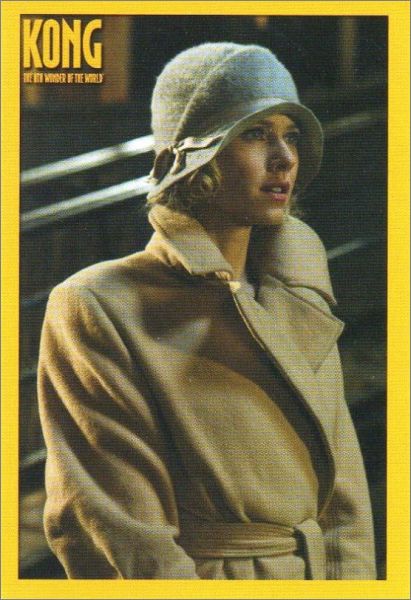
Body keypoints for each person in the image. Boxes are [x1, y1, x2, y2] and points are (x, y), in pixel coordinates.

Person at [38, 42, 376, 580]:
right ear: (197, 158)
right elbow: (114, 529)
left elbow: (346, 506)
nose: (285, 158)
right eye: (255, 134)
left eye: (291, 135)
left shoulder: (300, 292)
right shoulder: (98, 304)